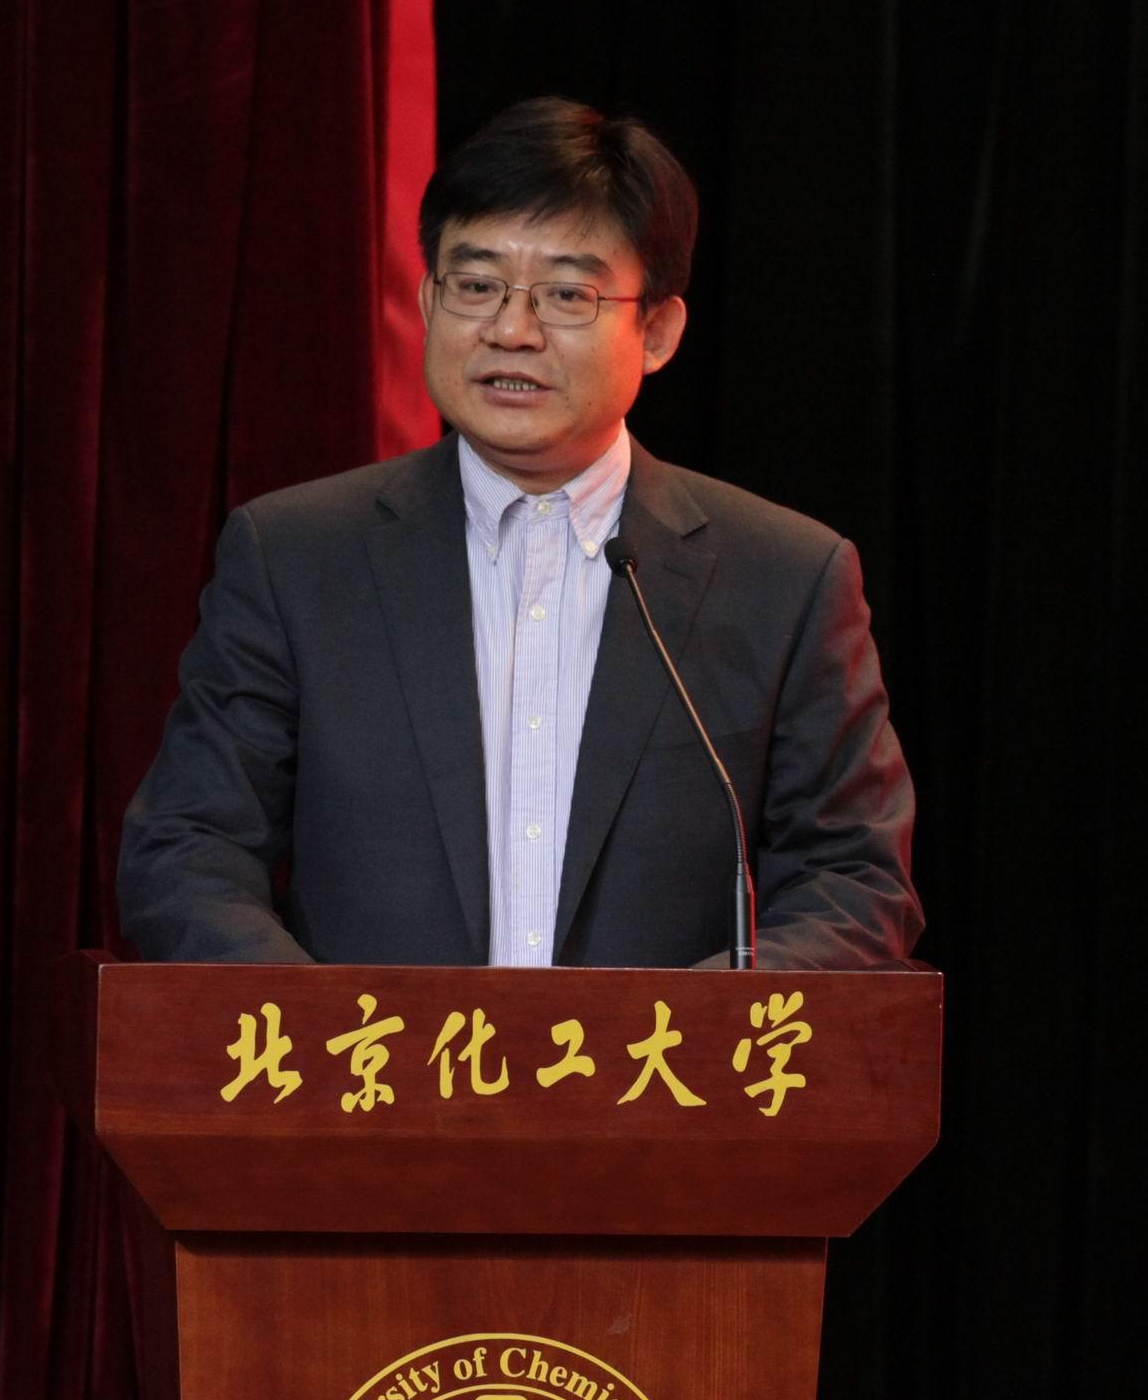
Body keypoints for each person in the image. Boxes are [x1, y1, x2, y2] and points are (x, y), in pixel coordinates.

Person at [118, 97, 919, 969]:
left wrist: (692, 1030)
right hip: (365, 1059)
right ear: (427, 299)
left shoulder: (782, 578)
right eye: (476, 285)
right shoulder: (297, 558)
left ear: (656, 331)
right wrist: (328, 1034)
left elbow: (855, 880)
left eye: (567, 294)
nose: (510, 330)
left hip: (661, 1062)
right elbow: (188, 850)